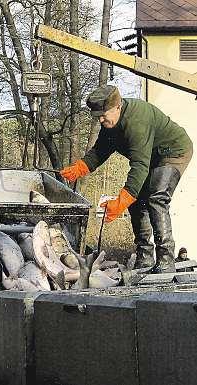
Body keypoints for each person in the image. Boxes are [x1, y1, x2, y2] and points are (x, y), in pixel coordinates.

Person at [60, 85, 193, 273]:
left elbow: (139, 165)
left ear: (117, 107)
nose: (101, 119)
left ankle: (165, 260)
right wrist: (80, 167)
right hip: (152, 158)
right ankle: (145, 257)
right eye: (97, 116)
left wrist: (122, 200)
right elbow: (100, 151)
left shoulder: (136, 120)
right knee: (137, 203)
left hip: (173, 152)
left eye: (104, 114)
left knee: (157, 199)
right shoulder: (110, 124)